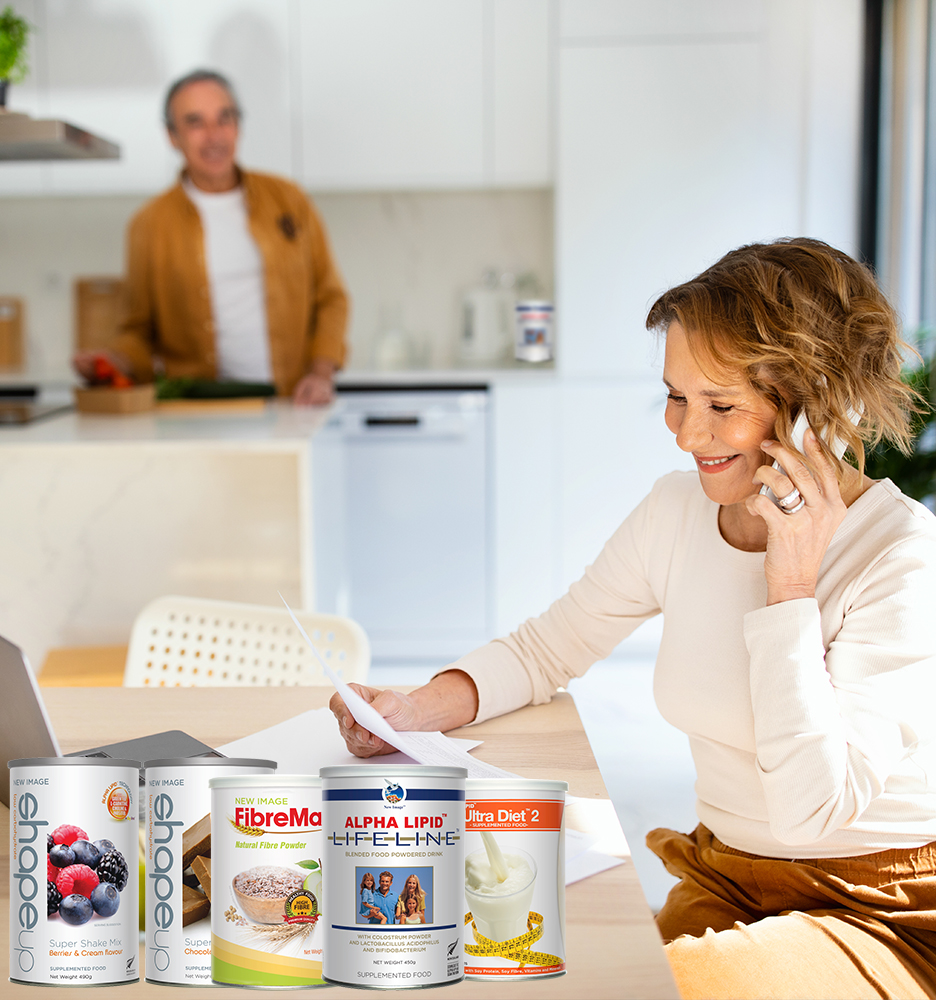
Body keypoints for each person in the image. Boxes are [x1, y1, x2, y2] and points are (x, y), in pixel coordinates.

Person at [330, 238, 936, 998]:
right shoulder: (676, 512)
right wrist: (413, 711)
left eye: (721, 407)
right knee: (534, 963)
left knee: (669, 983)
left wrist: (791, 584)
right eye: (676, 397)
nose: (686, 433)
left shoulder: (900, 553)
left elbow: (813, 811)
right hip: (728, 879)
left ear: (813, 408)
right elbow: (550, 646)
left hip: (873, 909)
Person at [74, 69, 348, 405]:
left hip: (291, 403)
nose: (214, 135)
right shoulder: (149, 224)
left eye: (224, 118)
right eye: (195, 123)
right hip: (197, 412)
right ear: (172, 137)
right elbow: (138, 331)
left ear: (239, 126)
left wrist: (321, 374)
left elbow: (331, 298)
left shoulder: (290, 200)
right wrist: (115, 360)